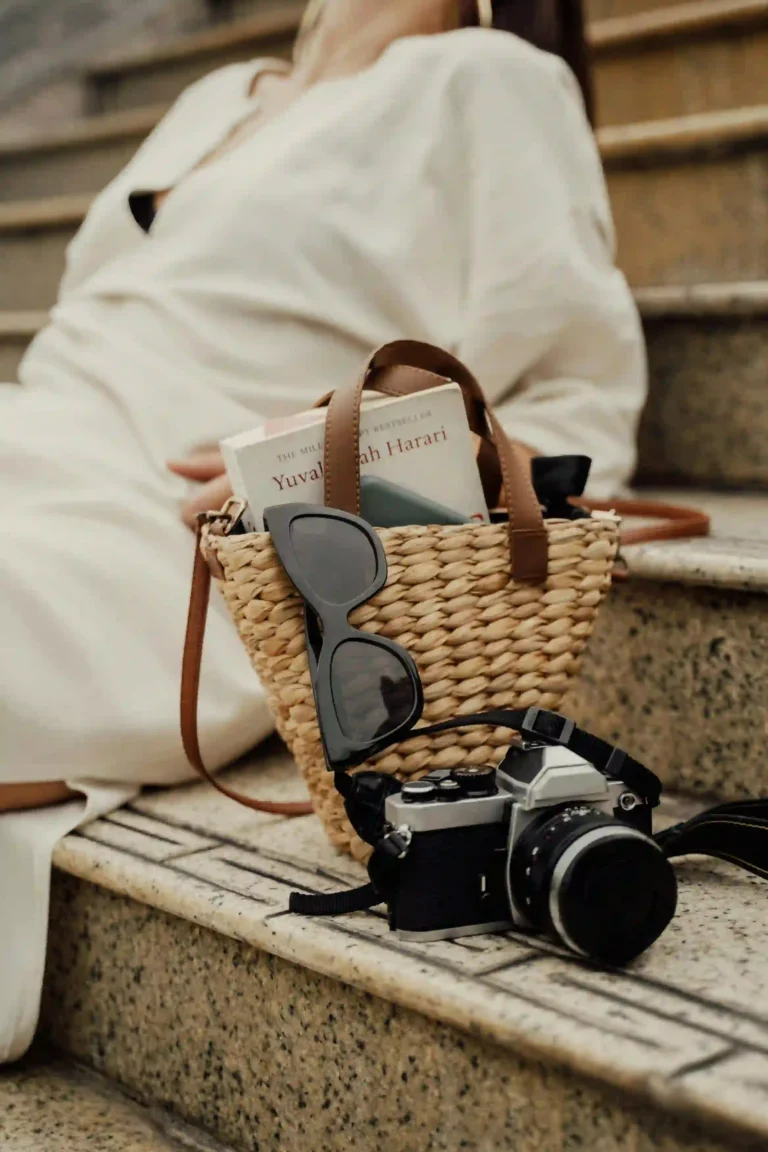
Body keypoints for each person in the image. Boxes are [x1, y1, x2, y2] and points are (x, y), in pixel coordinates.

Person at [0, 0, 645, 1062]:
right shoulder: (219, 97)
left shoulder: (487, 79)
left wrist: (360, 445)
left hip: (196, 524)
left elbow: (578, 405)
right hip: (41, 429)